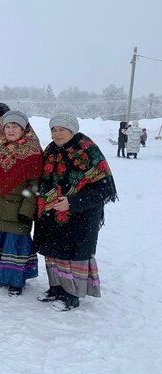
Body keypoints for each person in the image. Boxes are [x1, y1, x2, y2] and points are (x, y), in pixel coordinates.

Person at [34, 113, 117, 311]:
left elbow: (104, 188)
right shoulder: (51, 150)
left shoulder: (88, 151)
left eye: (62, 129)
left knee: (72, 255)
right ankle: (55, 287)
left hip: (80, 216)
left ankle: (72, 294)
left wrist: (72, 202)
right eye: (54, 129)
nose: (57, 133)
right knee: (53, 253)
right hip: (52, 213)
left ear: (72, 130)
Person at [0, 110, 43, 296]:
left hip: (16, 207)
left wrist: (27, 210)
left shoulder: (32, 151)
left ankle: (17, 282)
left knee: (15, 246)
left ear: (23, 128)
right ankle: (1, 277)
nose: (10, 130)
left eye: (15, 126)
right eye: (7, 126)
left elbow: (34, 185)